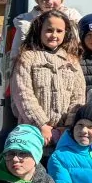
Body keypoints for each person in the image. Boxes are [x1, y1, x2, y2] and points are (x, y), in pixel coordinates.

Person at [10, 9, 84, 152]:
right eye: (49, 30)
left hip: (65, 133)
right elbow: (23, 94)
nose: (54, 35)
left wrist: (68, 126)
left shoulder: (72, 61)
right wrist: (41, 125)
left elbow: (78, 97)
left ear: (66, 33)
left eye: (59, 31)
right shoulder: (27, 58)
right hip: (33, 132)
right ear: (39, 30)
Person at [9, 0, 82, 62]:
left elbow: (82, 50)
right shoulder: (26, 22)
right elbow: (15, 55)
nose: (50, 1)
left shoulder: (73, 18)